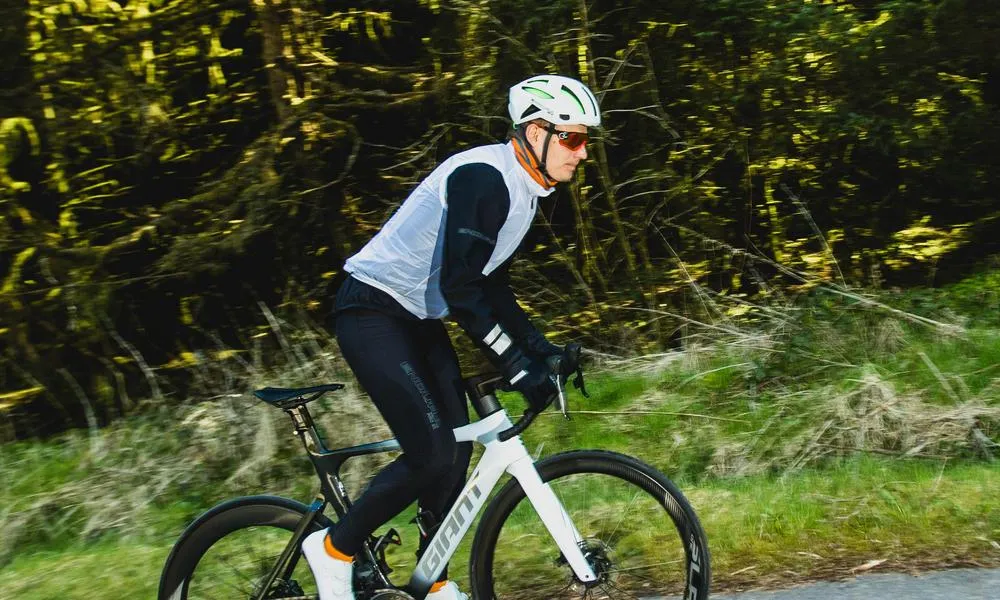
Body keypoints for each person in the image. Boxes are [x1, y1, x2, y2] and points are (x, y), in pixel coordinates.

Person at [301, 74, 601, 600]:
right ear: (536, 133)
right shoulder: (483, 177)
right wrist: (513, 362)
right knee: (432, 453)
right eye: (573, 138)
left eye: (585, 141)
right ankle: (333, 550)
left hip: (416, 317)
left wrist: (541, 352)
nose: (582, 153)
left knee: (457, 448)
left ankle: (428, 578)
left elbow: (493, 286)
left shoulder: (526, 193)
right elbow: (458, 285)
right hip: (371, 309)